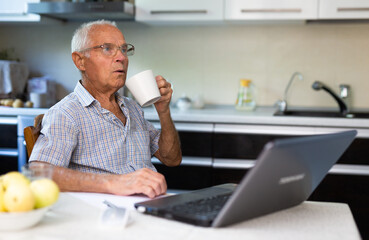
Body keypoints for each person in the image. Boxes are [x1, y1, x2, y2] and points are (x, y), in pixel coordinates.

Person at [29, 20, 182, 198]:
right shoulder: (66, 113)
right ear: (80, 61)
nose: (122, 58)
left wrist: (164, 111)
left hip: (148, 207)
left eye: (124, 49)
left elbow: (171, 159)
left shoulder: (132, 108)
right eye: (107, 48)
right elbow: (38, 173)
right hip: (102, 216)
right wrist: (113, 181)